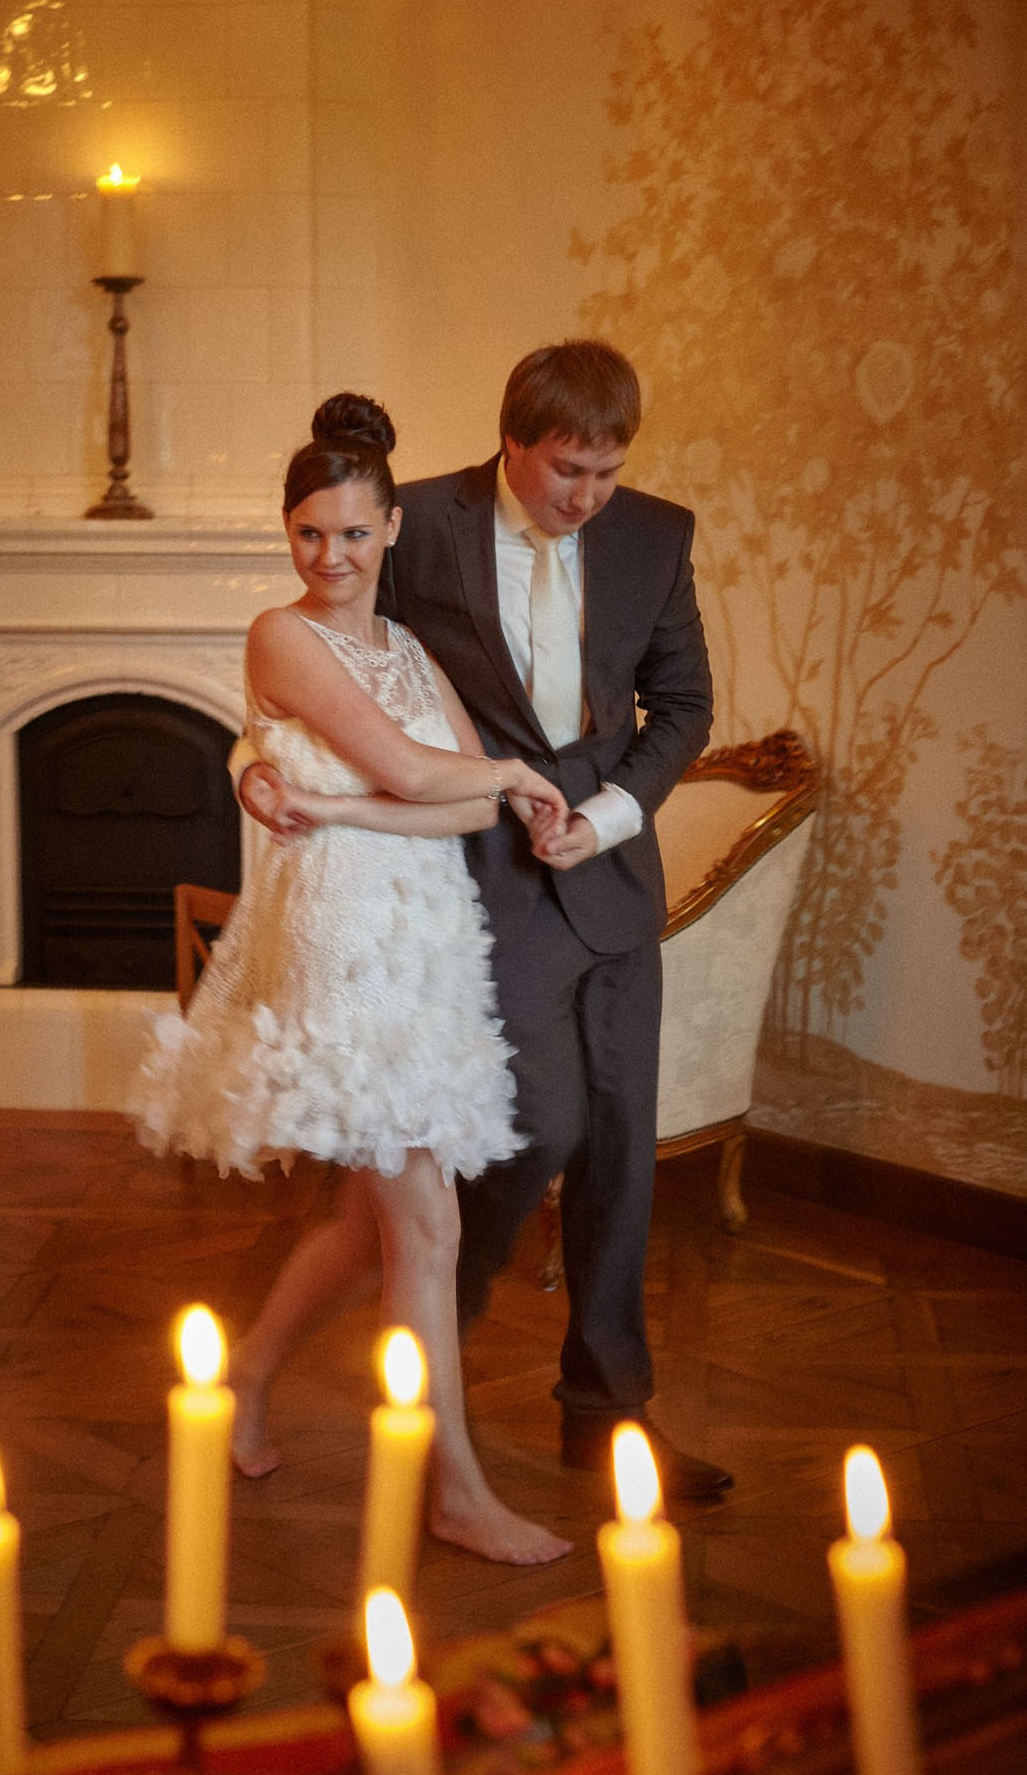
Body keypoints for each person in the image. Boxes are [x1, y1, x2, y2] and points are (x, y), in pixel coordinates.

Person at [243, 344, 731, 1499]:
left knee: (620, 1148)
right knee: (533, 1127)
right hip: (474, 884)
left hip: (608, 872)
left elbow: (684, 706)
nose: (587, 496)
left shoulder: (655, 535)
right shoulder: (409, 521)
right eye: (566, 470)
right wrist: (248, 763)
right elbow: (322, 667)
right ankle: (425, 1351)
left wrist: (606, 817)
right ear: (512, 442)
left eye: (608, 471)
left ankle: (606, 1411)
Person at [134, 394, 574, 1565]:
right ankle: (453, 1488)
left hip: (423, 937)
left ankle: (242, 1382)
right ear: (288, 532)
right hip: (340, 935)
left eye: (351, 533)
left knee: (360, 1224)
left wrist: (345, 804)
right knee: (425, 1224)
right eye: (307, 532)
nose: (328, 556)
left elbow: (462, 803)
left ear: (390, 530)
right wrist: (495, 776)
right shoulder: (282, 635)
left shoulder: (409, 650)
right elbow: (420, 773)